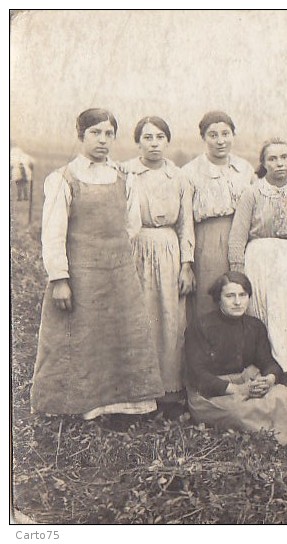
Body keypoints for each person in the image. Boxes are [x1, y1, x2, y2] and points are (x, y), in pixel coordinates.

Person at [31, 108, 163, 426]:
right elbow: (53, 232)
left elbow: (130, 226)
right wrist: (60, 278)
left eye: (108, 134)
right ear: (81, 136)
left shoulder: (122, 178)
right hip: (81, 276)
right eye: (95, 133)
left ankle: (123, 406)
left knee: (123, 334)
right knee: (79, 337)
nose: (103, 140)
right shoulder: (63, 178)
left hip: (119, 275)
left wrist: (113, 256)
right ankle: (78, 405)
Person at [184, 271, 287, 444]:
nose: (238, 302)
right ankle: (286, 435)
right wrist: (236, 389)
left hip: (247, 384)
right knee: (242, 412)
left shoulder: (254, 326)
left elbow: (268, 362)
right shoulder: (201, 326)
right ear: (218, 299)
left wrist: (269, 380)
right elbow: (198, 375)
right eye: (230, 296)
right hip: (211, 394)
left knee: (285, 396)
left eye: (243, 295)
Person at [123, 116, 196, 417]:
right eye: (147, 137)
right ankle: (136, 394)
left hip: (168, 250)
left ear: (168, 141)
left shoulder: (179, 178)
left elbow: (186, 224)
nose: (154, 144)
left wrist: (186, 265)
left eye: (159, 137)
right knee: (138, 319)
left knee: (170, 320)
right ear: (138, 141)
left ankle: (168, 393)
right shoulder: (126, 172)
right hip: (135, 248)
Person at [228, 138, 287, 374]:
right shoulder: (252, 193)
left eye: (284, 157)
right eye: (272, 159)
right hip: (260, 258)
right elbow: (238, 236)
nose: (279, 163)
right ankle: (264, 376)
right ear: (263, 163)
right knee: (262, 315)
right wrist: (237, 274)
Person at [181, 111, 255, 322]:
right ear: (203, 138)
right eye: (213, 135)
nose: (221, 141)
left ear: (233, 135)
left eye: (226, 133)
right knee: (210, 301)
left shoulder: (245, 169)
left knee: (241, 296)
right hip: (207, 242)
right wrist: (187, 262)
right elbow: (185, 219)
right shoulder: (190, 172)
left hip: (243, 239)